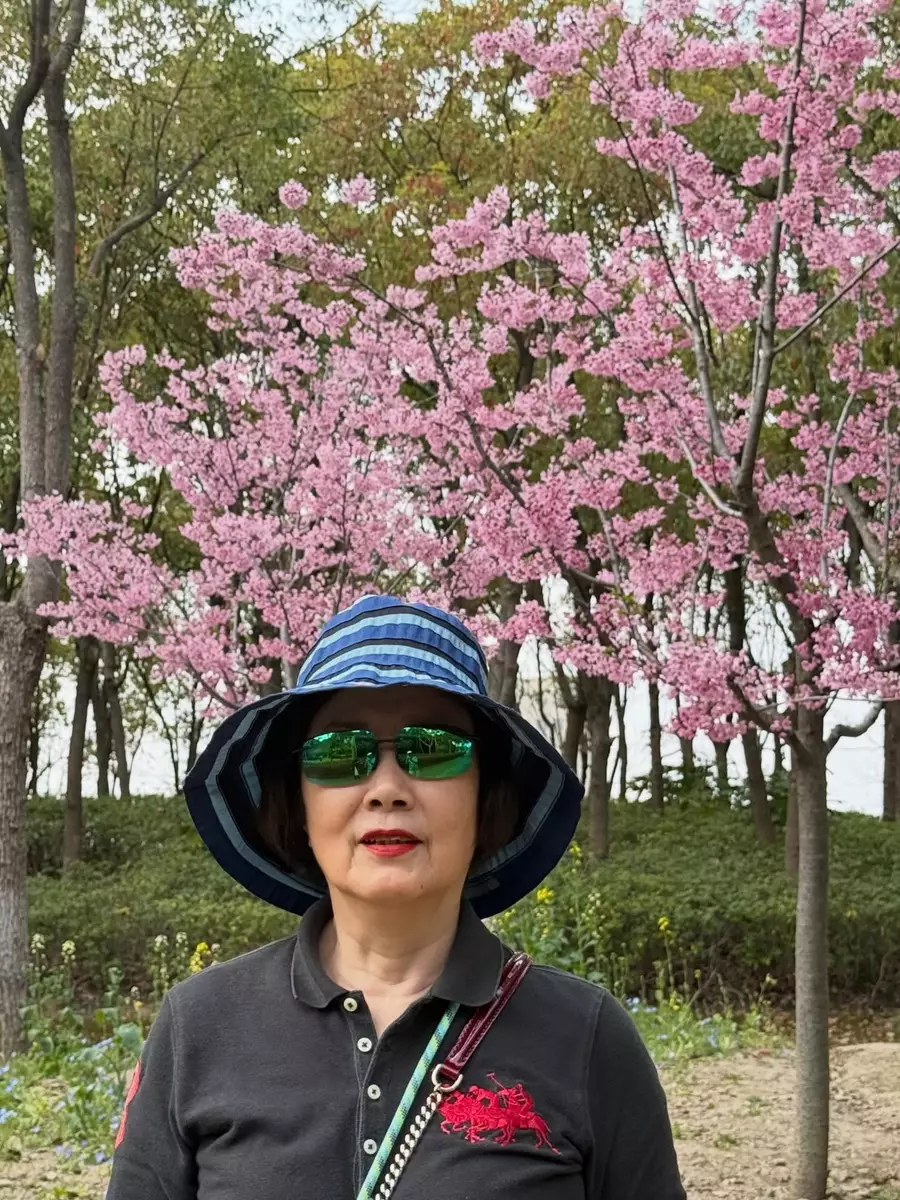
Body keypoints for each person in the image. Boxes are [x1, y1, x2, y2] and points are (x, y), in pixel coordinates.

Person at [106, 593, 686, 1200]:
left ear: (485, 796)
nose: (386, 788)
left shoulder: (587, 1036)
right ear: (299, 804)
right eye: (338, 753)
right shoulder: (199, 1025)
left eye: (433, 749)